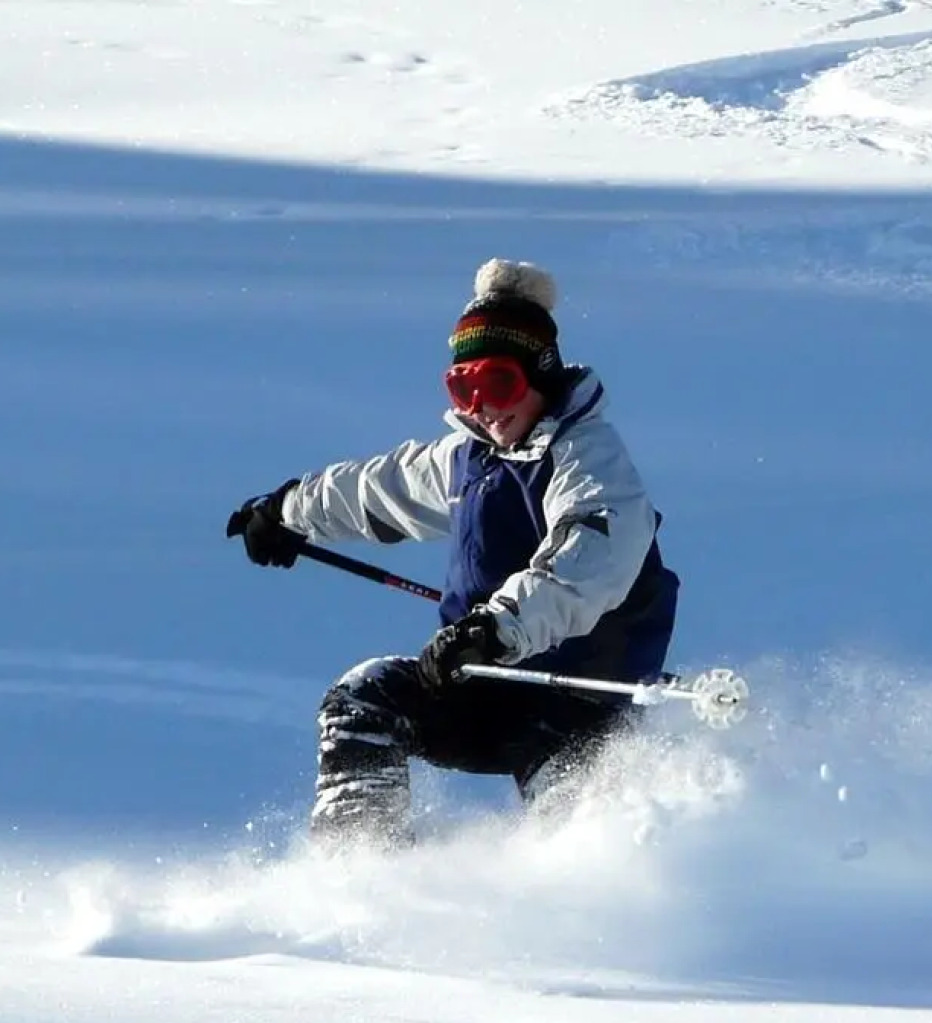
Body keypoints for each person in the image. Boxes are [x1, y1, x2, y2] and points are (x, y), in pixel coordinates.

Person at [226, 258, 679, 845]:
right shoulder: (471, 459)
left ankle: (580, 910)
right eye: (463, 388)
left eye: (498, 384)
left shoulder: (590, 460)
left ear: (539, 373)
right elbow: (381, 489)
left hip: (577, 703)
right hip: (485, 683)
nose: (483, 407)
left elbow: (587, 562)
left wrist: (497, 625)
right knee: (366, 699)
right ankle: (361, 862)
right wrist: (287, 511)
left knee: (579, 838)